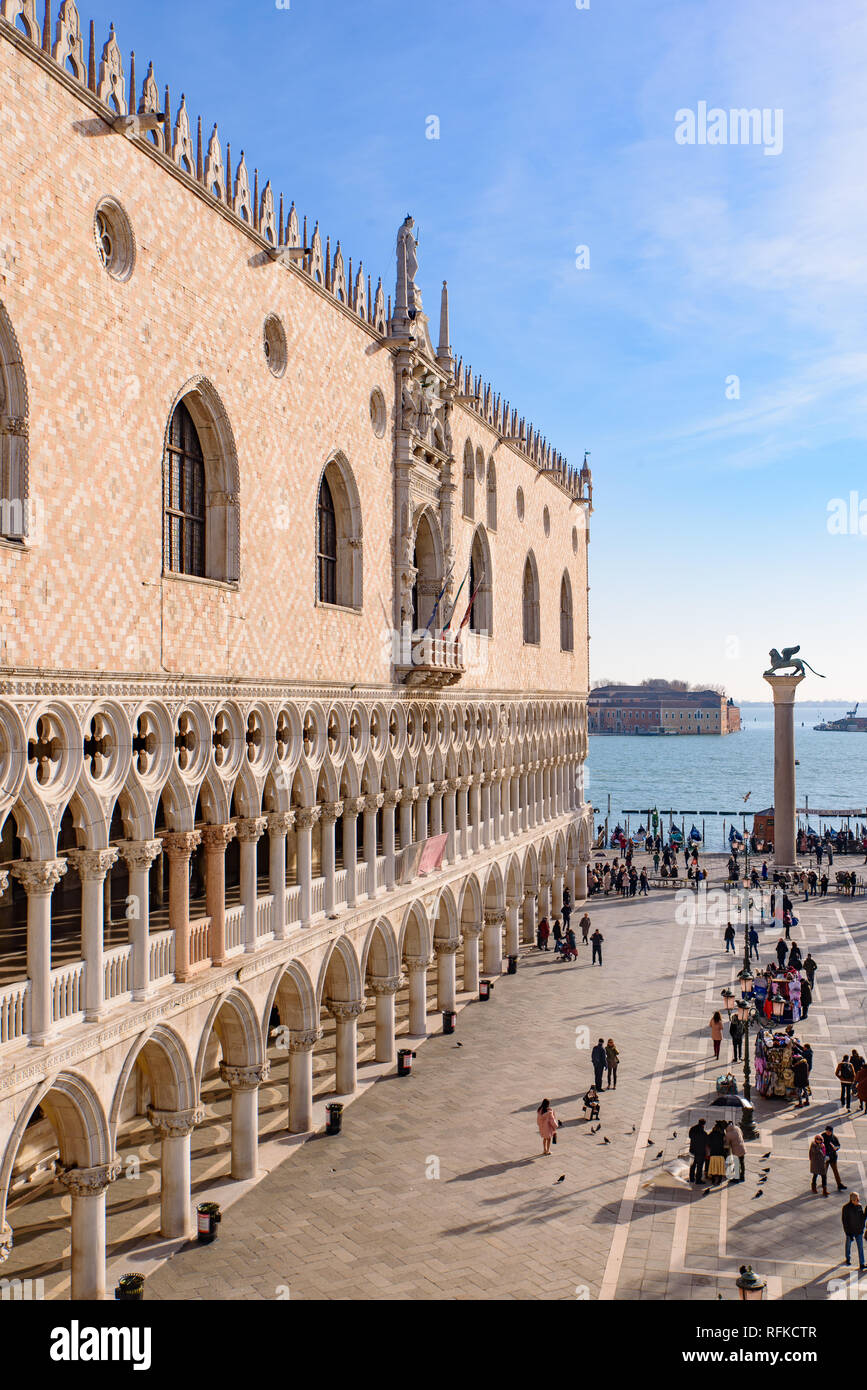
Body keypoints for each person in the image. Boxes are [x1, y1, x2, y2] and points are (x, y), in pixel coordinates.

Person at [842, 1193, 867, 1270]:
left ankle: (862, 1263)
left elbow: (862, 1218)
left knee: (860, 1247)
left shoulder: (859, 1206)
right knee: (848, 1245)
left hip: (859, 1230)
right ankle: (848, 1258)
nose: (859, 1201)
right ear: (852, 1200)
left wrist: (866, 1213)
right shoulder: (846, 1208)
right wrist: (847, 1232)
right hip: (850, 1231)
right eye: (857, 1200)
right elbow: (844, 1221)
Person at [822, 1125, 847, 1191]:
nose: (828, 1132)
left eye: (829, 1131)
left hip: (833, 1157)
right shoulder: (822, 1137)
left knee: (835, 1171)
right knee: (824, 1171)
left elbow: (838, 1145)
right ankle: (824, 1184)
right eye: (827, 1131)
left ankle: (839, 1184)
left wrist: (836, 1148)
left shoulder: (834, 1137)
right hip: (826, 1157)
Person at [707, 1119, 727, 1186]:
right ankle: (719, 1180)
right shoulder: (722, 1135)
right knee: (720, 1167)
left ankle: (713, 1180)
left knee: (713, 1166)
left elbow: (708, 1142)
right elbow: (725, 1142)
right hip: (720, 1152)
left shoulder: (711, 1134)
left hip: (713, 1152)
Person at [688, 1118, 708, 1184]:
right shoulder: (704, 1134)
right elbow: (706, 1142)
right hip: (700, 1152)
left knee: (693, 1165)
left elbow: (690, 1136)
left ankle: (691, 1178)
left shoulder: (693, 1129)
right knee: (699, 1166)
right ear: (704, 1124)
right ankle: (698, 1179)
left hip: (693, 1150)